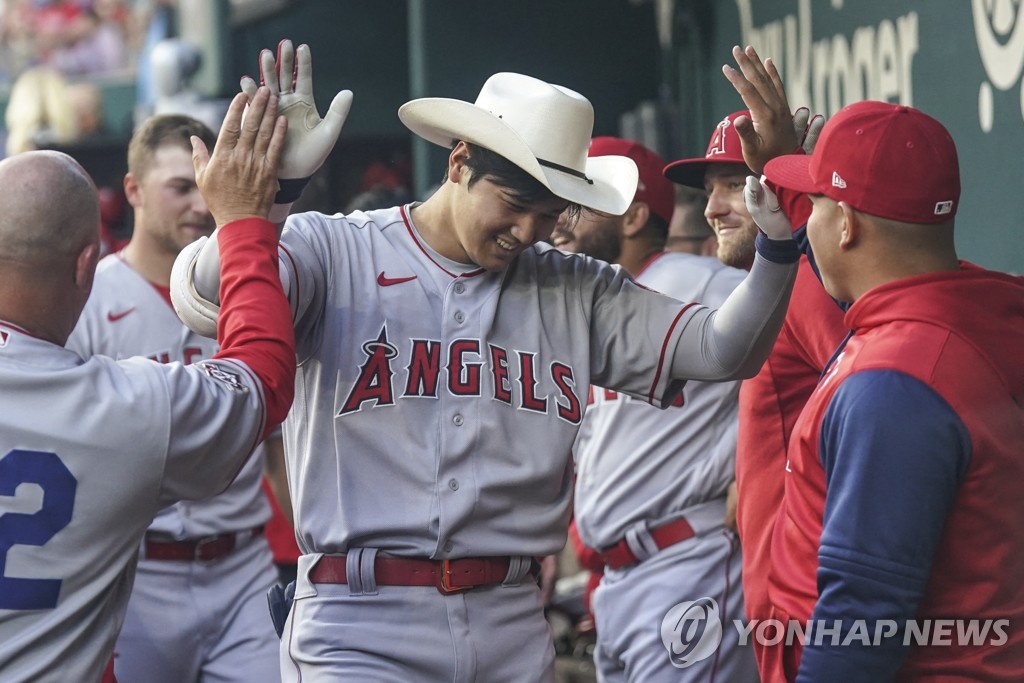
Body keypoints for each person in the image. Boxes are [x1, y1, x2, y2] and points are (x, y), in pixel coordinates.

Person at [171, 41, 802, 682]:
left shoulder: (574, 285)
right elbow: (206, 293)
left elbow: (728, 349)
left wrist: (778, 244)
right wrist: (272, 203)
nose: (529, 230)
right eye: (513, 201)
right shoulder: (333, 250)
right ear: (459, 161)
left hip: (512, 622)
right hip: (359, 621)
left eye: (550, 212)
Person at [728, 45, 1024, 681]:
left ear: (848, 225)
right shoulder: (967, 317)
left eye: (818, 204)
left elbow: (860, 621)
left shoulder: (899, 379)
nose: (806, 219)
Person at [0, 89, 294, 682]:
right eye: (178, 187)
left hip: (234, 562)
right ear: (85, 263)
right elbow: (261, 379)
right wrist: (254, 218)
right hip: (133, 579)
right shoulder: (121, 403)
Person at [663, 102, 847, 664]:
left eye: (733, 184)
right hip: (779, 585)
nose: (713, 208)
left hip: (807, 590)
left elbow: (863, 394)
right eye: (710, 189)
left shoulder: (805, 286)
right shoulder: (765, 290)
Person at [568, 136, 756, 681]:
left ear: (633, 217)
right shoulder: (579, 305)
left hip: (686, 560)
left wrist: (756, 468)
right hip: (616, 582)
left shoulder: (706, 283)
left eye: (581, 202)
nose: (562, 217)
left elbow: (811, 365)